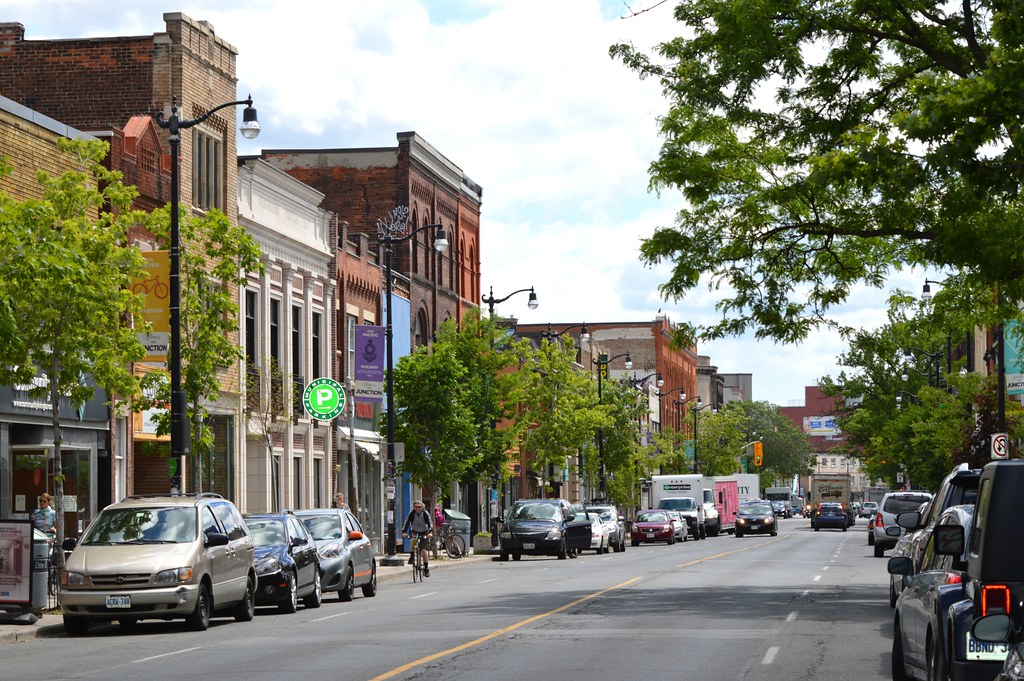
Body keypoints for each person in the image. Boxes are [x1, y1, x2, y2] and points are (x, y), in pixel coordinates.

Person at [401, 500, 433, 577]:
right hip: (415, 531)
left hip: (424, 532)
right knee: (412, 540)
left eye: (419, 507)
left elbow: (430, 523)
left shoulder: (425, 513)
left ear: (422, 507)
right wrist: (404, 532)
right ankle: (412, 556)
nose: (418, 508)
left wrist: (430, 532)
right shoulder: (412, 513)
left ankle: (426, 568)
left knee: (424, 551)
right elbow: (407, 522)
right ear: (414, 507)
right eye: (416, 507)